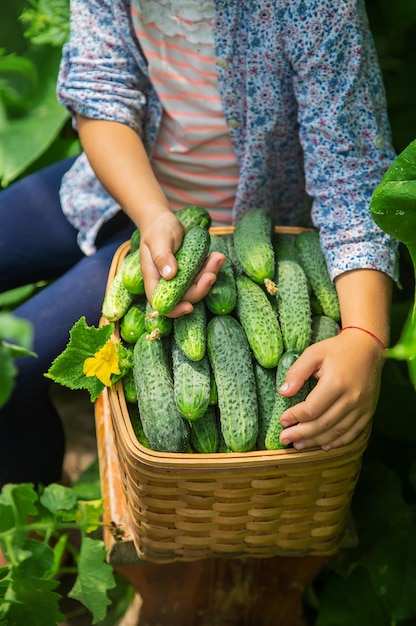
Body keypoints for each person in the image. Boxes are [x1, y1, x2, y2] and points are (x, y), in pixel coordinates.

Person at [0, 0, 399, 491]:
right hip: (117, 186)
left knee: (10, 370)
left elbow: (351, 179)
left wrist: (364, 336)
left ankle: (24, 522)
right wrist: (151, 213)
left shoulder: (313, 8)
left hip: (232, 234)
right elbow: (99, 91)